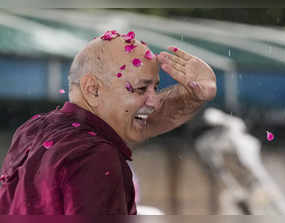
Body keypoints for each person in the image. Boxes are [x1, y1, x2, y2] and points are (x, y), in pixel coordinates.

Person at [0, 30, 216, 215]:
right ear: (93, 89)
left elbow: (138, 120)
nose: (156, 102)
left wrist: (194, 95)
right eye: (141, 88)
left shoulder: (33, 129)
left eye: (155, 88)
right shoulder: (95, 155)